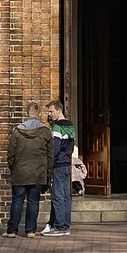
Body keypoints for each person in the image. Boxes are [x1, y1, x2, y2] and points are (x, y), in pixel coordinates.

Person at [7, 106, 50, 234]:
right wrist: (48, 173)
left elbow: (11, 153)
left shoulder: (17, 131)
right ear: (39, 113)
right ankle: (30, 231)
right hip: (37, 172)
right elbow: (50, 154)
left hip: (20, 171)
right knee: (33, 201)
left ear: (27, 113)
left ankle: (11, 231)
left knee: (17, 201)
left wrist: (13, 167)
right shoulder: (45, 132)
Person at [42, 101, 76, 235]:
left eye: (51, 111)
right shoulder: (71, 126)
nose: (49, 114)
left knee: (57, 196)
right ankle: (66, 226)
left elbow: (54, 149)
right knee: (67, 196)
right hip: (67, 163)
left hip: (58, 165)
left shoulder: (57, 128)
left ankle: (60, 226)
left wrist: (49, 164)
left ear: (59, 111)